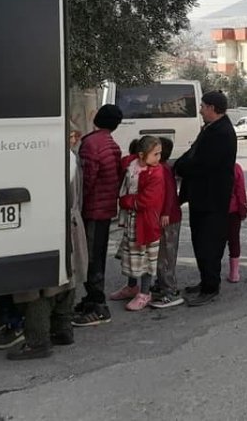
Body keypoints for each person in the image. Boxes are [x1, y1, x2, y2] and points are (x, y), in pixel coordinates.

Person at [8, 125, 88, 359]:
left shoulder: (44, 159)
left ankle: (37, 340)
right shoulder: (69, 156)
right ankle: (62, 329)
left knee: (39, 287)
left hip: (47, 225)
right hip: (70, 223)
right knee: (66, 280)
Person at [174, 91, 237, 307]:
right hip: (201, 197)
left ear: (211, 108)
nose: (200, 110)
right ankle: (205, 281)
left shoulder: (222, 133)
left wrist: (181, 168)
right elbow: (193, 152)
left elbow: (202, 164)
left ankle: (211, 287)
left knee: (209, 243)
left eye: (202, 106)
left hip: (212, 199)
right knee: (200, 241)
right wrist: (177, 165)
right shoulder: (211, 128)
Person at [74, 104, 124, 327]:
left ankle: (98, 305)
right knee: (98, 254)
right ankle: (91, 299)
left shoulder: (91, 144)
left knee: (91, 258)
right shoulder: (111, 143)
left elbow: (86, 179)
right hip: (105, 208)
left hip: (92, 209)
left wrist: (77, 204)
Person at [111, 136, 165, 311]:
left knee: (146, 256)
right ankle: (131, 287)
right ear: (141, 155)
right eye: (155, 154)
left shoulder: (156, 173)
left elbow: (147, 200)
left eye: (159, 154)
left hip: (147, 221)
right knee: (132, 255)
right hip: (133, 220)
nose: (158, 158)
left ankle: (144, 292)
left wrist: (126, 201)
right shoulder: (131, 165)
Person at [150, 138, 185, 309]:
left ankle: (170, 291)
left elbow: (170, 194)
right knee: (162, 254)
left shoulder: (163, 170)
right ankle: (162, 285)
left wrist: (165, 213)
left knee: (165, 256)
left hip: (168, 219)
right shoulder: (162, 168)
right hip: (166, 217)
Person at [225, 163, 247, 283]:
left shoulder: (210, 165)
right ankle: (234, 273)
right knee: (234, 241)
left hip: (215, 212)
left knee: (215, 242)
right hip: (233, 211)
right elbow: (240, 191)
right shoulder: (235, 167)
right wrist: (243, 211)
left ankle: (213, 272)